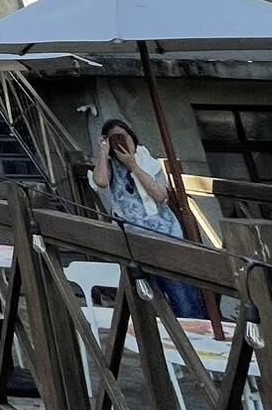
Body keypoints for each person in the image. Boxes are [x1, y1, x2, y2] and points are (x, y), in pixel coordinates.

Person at [88, 118, 207, 319]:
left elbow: (160, 195)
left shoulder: (148, 162)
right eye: (113, 139)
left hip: (165, 237)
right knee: (146, 302)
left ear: (133, 138)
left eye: (123, 137)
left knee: (182, 297)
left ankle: (197, 340)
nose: (120, 143)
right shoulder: (107, 166)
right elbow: (100, 182)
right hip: (132, 241)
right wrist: (102, 152)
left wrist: (133, 165)